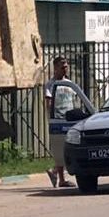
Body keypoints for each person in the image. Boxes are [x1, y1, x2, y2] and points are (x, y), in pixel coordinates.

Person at [45, 56, 78, 188]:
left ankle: (55, 172)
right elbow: (48, 103)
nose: (65, 69)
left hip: (70, 120)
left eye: (66, 66)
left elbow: (74, 101)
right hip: (58, 120)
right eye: (62, 67)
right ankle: (61, 179)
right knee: (61, 149)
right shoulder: (51, 84)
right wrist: (51, 119)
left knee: (67, 149)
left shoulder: (69, 84)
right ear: (55, 68)